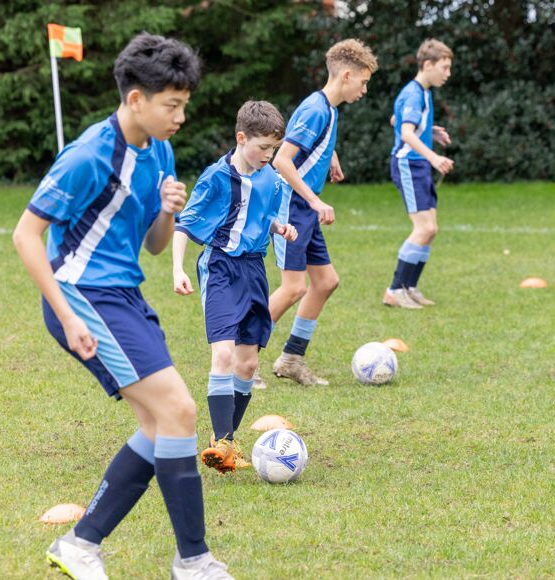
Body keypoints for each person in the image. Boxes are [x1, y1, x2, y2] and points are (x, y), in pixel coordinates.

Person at [12, 33, 232, 579]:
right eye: (171, 106)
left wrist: (165, 211)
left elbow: (155, 246)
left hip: (125, 297)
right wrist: (66, 315)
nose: (180, 117)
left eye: (184, 105)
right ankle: (194, 560)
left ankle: (81, 543)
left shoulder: (159, 150)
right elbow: (25, 235)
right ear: (136, 99)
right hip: (83, 299)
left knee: (162, 426)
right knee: (178, 410)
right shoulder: (88, 155)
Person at [172, 100, 297, 474]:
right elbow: (185, 224)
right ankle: (221, 442)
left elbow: (264, 214)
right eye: (262, 147)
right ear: (241, 138)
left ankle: (227, 441)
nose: (268, 155)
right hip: (221, 268)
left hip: (254, 271)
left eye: (274, 149)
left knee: (248, 363)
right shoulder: (215, 178)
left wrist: (279, 228)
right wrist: (177, 268)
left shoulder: (272, 179)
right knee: (224, 355)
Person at [268, 39, 378, 386]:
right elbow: (281, 159)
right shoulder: (316, 107)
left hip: (306, 207)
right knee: (292, 289)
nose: (364, 89)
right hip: (292, 207)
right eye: (363, 82)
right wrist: (315, 202)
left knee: (326, 282)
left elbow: (307, 142)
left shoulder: (328, 109)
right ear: (346, 75)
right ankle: (239, 357)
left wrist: (330, 156)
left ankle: (291, 359)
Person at [383, 39, 454, 309]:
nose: (447, 73)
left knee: (431, 229)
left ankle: (409, 287)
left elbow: (396, 119)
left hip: (418, 164)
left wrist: (430, 130)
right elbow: (405, 133)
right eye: (444, 68)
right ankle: (393, 290)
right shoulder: (414, 93)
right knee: (423, 228)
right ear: (428, 65)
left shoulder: (422, 92)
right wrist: (434, 156)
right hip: (408, 164)